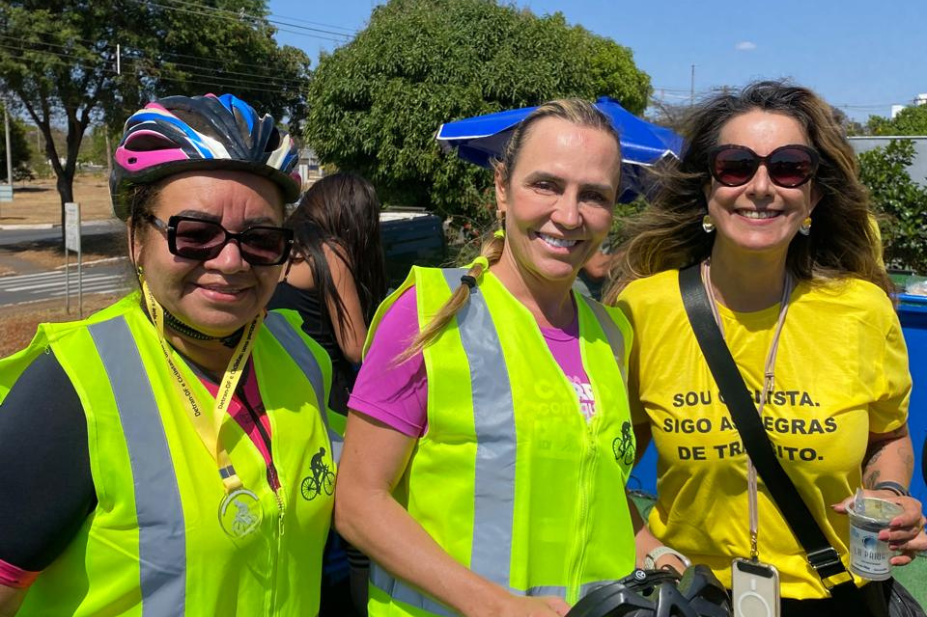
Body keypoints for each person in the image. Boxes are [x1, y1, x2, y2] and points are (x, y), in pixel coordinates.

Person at [335, 99, 679, 617]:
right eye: (546, 185)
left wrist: (654, 550)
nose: (568, 215)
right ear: (501, 189)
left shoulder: (612, 334)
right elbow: (359, 503)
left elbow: (597, 491)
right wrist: (493, 605)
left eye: (594, 196)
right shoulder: (430, 313)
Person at [0, 93, 339, 616]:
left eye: (261, 239)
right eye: (196, 234)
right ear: (138, 239)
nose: (230, 261)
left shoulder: (301, 356)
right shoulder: (69, 389)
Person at [608, 81, 925, 616]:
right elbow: (603, 470)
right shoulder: (644, 309)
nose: (761, 186)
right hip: (691, 598)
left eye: (789, 167)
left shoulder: (863, 311)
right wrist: (654, 554)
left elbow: (888, 437)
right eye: (735, 165)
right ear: (707, 188)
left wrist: (891, 494)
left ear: (814, 195)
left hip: (835, 596)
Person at [270, 171, 388, 418]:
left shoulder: (279, 247)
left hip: (277, 389)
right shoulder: (329, 252)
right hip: (325, 394)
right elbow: (355, 348)